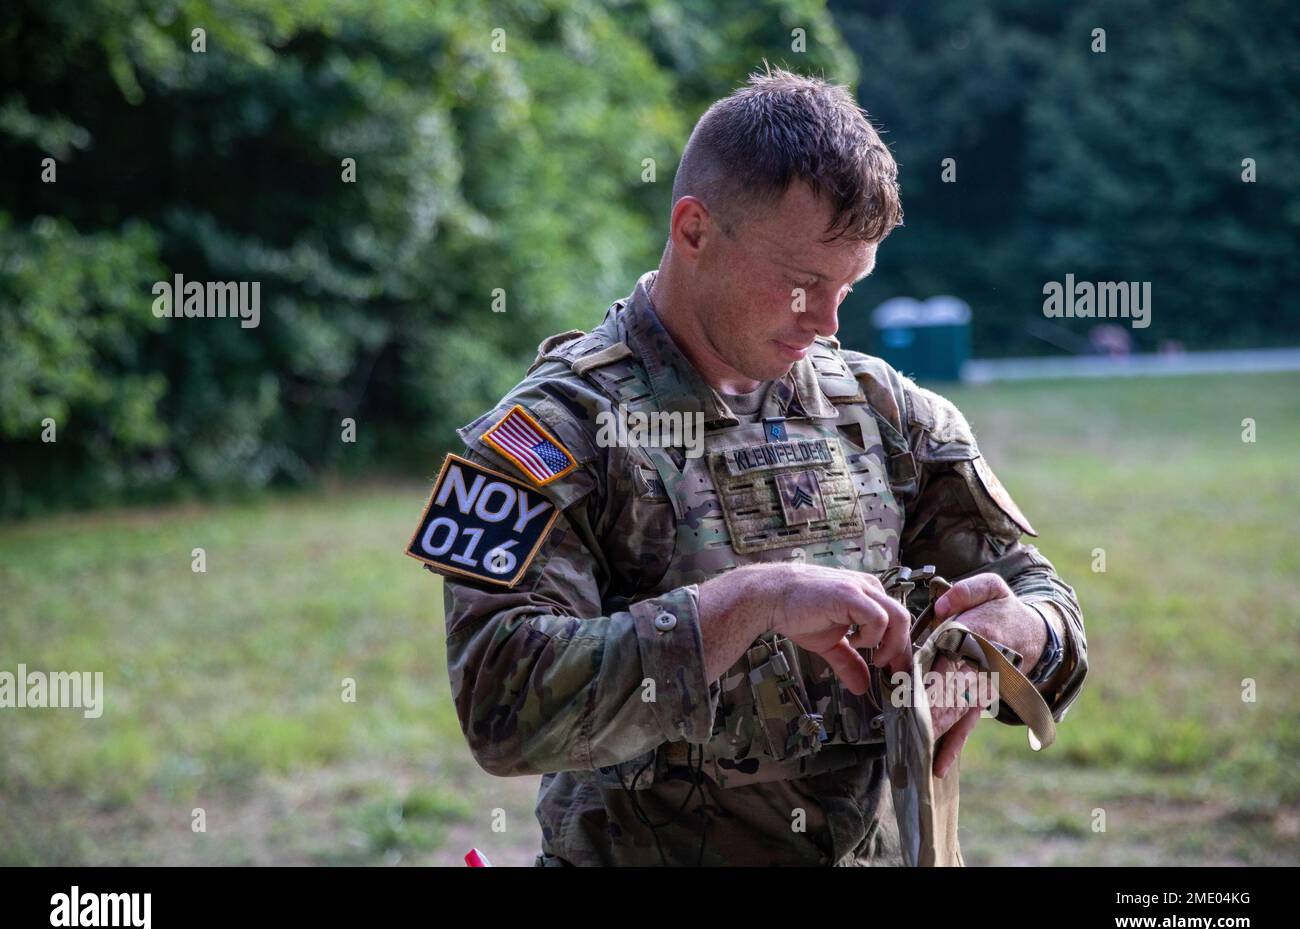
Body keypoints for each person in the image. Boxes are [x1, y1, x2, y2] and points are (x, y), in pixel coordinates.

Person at [406, 65, 1087, 866]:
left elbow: (1045, 605)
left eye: (849, 286)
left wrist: (1020, 634)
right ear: (693, 230)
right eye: (802, 284)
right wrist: (747, 603)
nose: (828, 321)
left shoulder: (885, 412)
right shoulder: (546, 436)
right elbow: (503, 707)